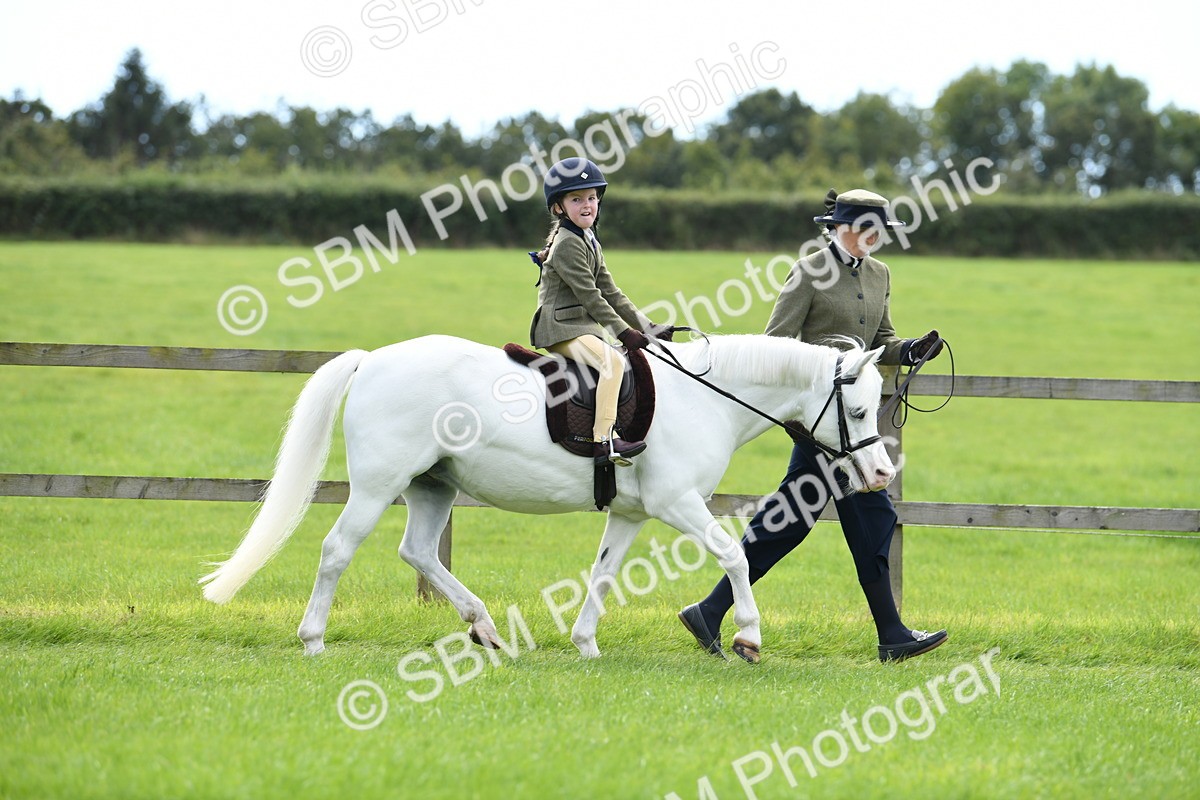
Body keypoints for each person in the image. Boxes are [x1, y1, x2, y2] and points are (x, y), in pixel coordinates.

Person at [678, 188, 947, 663]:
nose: (875, 239)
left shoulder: (881, 274)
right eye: (868, 229)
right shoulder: (809, 271)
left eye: (881, 231)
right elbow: (774, 348)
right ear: (841, 228)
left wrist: (908, 350)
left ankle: (712, 609)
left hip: (845, 420)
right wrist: (797, 419)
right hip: (818, 422)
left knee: (793, 518)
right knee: (862, 513)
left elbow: (879, 340)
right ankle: (892, 636)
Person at [528, 157, 668, 465]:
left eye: (591, 197)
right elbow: (592, 298)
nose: (587, 205)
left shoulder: (589, 238)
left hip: (582, 327)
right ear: (559, 208)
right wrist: (624, 333)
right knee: (612, 363)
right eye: (576, 199)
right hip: (560, 328)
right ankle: (604, 442)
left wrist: (648, 326)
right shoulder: (567, 244)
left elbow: (612, 293)